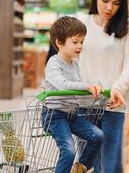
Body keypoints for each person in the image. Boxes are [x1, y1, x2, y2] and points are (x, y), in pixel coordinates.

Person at [79, 0, 129, 173]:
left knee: (112, 165)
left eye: (116, 3)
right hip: (85, 103)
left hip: (115, 105)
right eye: (105, 1)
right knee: (87, 164)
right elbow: (70, 59)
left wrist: (117, 88)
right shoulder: (81, 24)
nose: (109, 8)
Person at [42, 16, 104, 173]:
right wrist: (87, 86)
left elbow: (79, 85)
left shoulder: (75, 63)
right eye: (75, 42)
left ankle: (80, 167)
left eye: (82, 42)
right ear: (59, 42)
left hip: (72, 114)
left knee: (98, 136)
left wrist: (94, 94)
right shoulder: (53, 63)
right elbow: (62, 84)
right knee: (69, 150)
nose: (80, 46)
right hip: (54, 116)